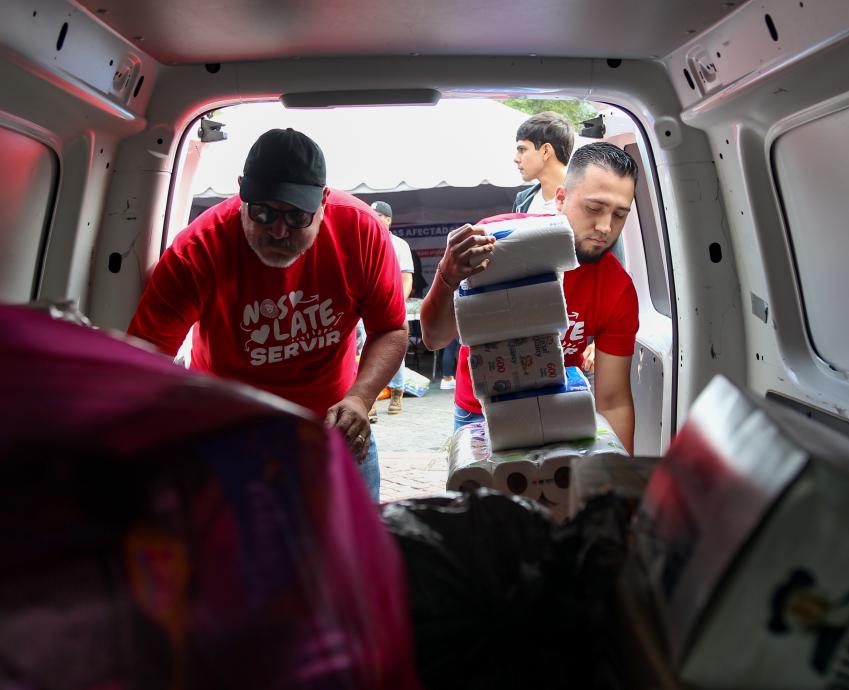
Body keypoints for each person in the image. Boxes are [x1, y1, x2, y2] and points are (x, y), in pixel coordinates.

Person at [127, 128, 408, 501]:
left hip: (332, 431)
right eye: (263, 212)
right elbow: (142, 360)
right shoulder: (198, 249)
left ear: (323, 200)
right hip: (231, 436)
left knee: (353, 538)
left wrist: (360, 398)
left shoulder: (360, 231)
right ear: (241, 191)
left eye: (296, 217)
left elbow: (390, 329)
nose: (278, 230)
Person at [420, 142, 639, 454]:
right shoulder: (496, 243)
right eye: (593, 209)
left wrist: (620, 474)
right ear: (561, 198)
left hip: (559, 407)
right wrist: (447, 275)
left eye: (619, 215)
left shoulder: (616, 288)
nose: (605, 227)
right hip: (479, 412)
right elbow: (435, 339)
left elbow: (614, 401)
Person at [370, 200, 414, 416]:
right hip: (366, 306)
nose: (373, 218)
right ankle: (368, 400)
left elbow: (407, 278)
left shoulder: (399, 245)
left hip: (391, 304)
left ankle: (397, 391)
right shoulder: (363, 240)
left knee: (394, 350)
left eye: (378, 215)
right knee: (364, 351)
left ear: (388, 219)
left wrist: (398, 303)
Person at [512, 111, 574, 213]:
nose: (516, 159)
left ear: (545, 151)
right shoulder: (522, 201)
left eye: (522, 150)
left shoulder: (585, 199)